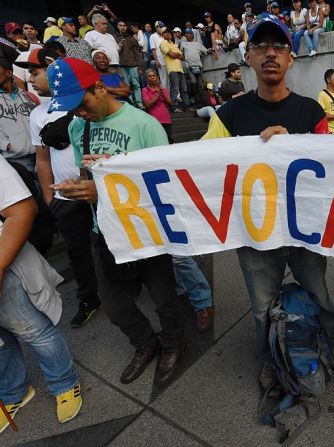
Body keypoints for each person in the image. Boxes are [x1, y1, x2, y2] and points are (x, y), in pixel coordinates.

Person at [201, 13, 334, 388]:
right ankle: (270, 358)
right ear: (248, 57)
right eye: (261, 46)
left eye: (279, 46)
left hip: (306, 230)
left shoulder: (311, 112)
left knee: (320, 294)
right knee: (261, 307)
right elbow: (200, 164)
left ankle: (332, 344)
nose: (270, 53)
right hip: (255, 233)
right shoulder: (229, 114)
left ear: (291, 58)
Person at [48, 57, 186, 386]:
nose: (78, 113)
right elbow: (88, 171)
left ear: (99, 87)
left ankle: (173, 342)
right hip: (106, 232)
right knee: (114, 305)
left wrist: (104, 193)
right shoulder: (77, 125)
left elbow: (165, 186)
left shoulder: (144, 125)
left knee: (164, 299)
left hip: (145, 230)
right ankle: (145, 343)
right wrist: (79, 187)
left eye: (81, 104)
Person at [16, 47, 102, 329]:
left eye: (35, 72)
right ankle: (89, 299)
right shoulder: (38, 115)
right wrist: (49, 195)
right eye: (28, 73)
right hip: (65, 194)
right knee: (77, 251)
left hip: (99, 189)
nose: (30, 78)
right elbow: (42, 159)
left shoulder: (85, 101)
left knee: (110, 242)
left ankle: (134, 286)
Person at [0, 154, 83, 432]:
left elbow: (21, 209)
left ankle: (64, 384)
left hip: (4, 262)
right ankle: (14, 392)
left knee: (33, 330)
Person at [0, 57, 36, 171]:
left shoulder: (28, 96)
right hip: (14, 159)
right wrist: (7, 145)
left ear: (9, 73)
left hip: (39, 154)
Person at [160, 29, 191, 112]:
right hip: (172, 69)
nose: (167, 34)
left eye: (168, 32)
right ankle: (174, 107)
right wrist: (176, 55)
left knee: (184, 89)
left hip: (180, 68)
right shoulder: (163, 44)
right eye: (165, 32)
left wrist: (175, 55)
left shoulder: (173, 44)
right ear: (162, 34)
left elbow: (182, 57)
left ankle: (187, 107)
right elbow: (172, 55)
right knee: (175, 88)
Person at [115, 19, 143, 107]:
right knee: (126, 85)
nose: (123, 27)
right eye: (120, 25)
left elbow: (137, 53)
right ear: (117, 26)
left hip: (133, 64)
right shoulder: (114, 37)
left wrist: (140, 67)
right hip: (121, 65)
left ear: (126, 27)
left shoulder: (131, 38)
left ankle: (139, 102)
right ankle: (130, 103)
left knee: (136, 84)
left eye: (124, 25)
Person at [142, 68, 173, 139]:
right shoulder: (145, 90)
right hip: (154, 121)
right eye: (149, 76)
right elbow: (147, 105)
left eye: (153, 75)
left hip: (166, 119)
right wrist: (158, 94)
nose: (152, 77)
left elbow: (170, 103)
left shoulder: (163, 89)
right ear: (147, 79)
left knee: (168, 140)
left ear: (157, 77)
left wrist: (162, 93)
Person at [181, 29, 208, 104]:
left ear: (192, 35)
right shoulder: (183, 44)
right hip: (190, 67)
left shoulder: (197, 44)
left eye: (188, 33)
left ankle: (201, 100)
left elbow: (205, 51)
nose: (186, 35)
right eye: (186, 33)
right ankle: (195, 100)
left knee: (200, 84)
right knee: (193, 82)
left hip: (199, 66)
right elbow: (180, 54)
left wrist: (213, 49)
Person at [150, 22, 168, 88]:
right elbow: (153, 49)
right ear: (156, 27)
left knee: (171, 79)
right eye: (160, 27)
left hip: (168, 60)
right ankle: (165, 96)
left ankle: (172, 96)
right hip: (161, 61)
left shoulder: (164, 35)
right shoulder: (153, 36)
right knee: (163, 79)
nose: (161, 28)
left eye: (162, 27)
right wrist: (156, 61)